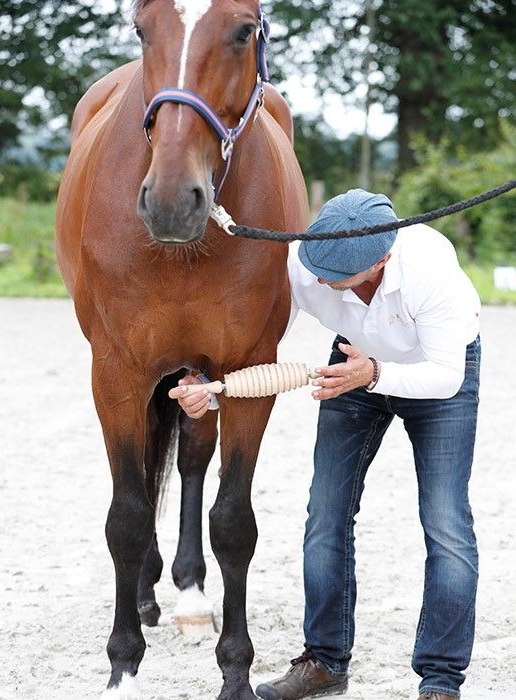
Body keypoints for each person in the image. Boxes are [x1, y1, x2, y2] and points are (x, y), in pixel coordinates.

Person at [172, 190, 481, 700]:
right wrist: (214, 389)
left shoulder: (430, 268)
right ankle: (325, 661)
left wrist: (375, 373)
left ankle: (441, 681)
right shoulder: (307, 263)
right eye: (314, 263)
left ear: (381, 260)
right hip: (352, 367)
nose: (316, 279)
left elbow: (447, 378)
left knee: (445, 524)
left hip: (434, 371)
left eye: (331, 275)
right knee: (325, 516)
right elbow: (261, 348)